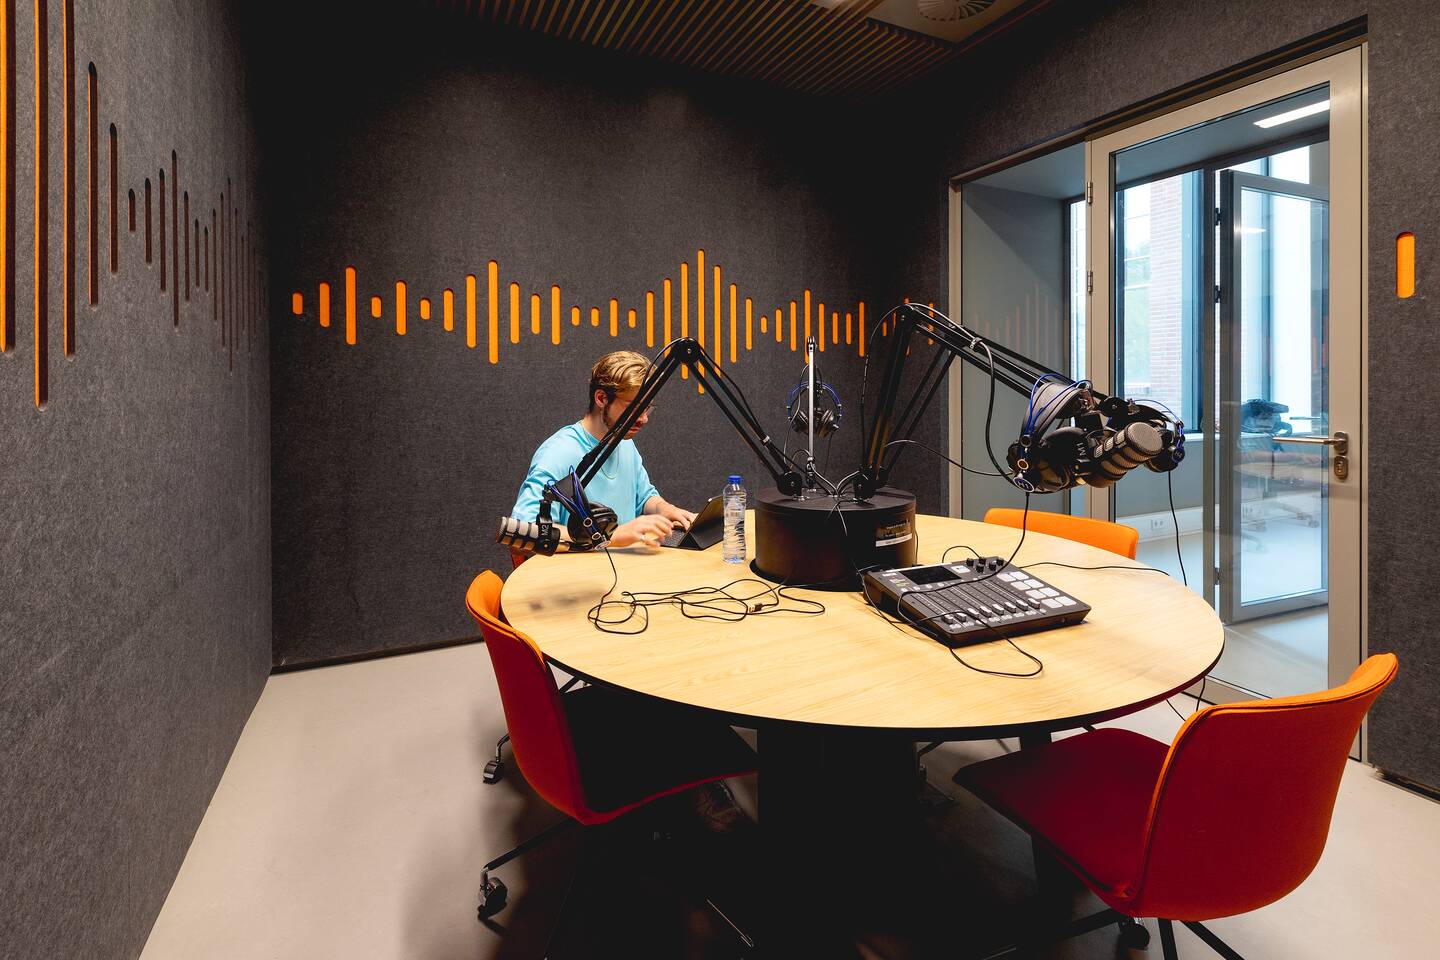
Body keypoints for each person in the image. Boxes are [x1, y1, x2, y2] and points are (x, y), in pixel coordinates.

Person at [511, 350, 696, 548]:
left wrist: (664, 509)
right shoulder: (558, 453)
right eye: (633, 407)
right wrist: (610, 536)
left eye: (647, 408)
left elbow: (644, 497)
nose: (643, 418)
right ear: (601, 398)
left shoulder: (624, 442)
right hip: (579, 568)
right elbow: (525, 532)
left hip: (621, 565)